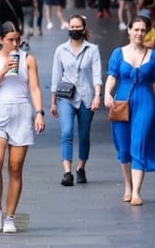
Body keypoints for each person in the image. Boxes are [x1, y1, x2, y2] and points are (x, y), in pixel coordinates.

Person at [0, 21, 45, 233]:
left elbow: (34, 88)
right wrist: (3, 71)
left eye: (18, 39)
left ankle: (10, 216)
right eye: (10, 40)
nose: (15, 44)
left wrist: (39, 113)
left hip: (21, 112)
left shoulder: (28, 59)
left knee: (16, 169)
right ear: (0, 39)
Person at [104, 16, 155, 206]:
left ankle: (136, 192)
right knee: (124, 148)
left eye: (143, 30)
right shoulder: (118, 53)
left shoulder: (152, 56)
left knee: (138, 144)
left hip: (145, 102)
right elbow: (112, 76)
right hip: (122, 101)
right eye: (136, 29)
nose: (139, 33)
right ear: (129, 30)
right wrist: (106, 94)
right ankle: (128, 186)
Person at [50, 14, 102, 186]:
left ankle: (81, 168)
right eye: (71, 27)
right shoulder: (61, 50)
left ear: (84, 28)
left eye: (77, 27)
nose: (74, 30)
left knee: (84, 135)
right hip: (67, 97)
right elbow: (56, 76)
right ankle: (67, 172)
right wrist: (53, 101)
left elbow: (97, 75)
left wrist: (97, 95)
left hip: (87, 97)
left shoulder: (92, 50)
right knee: (67, 132)